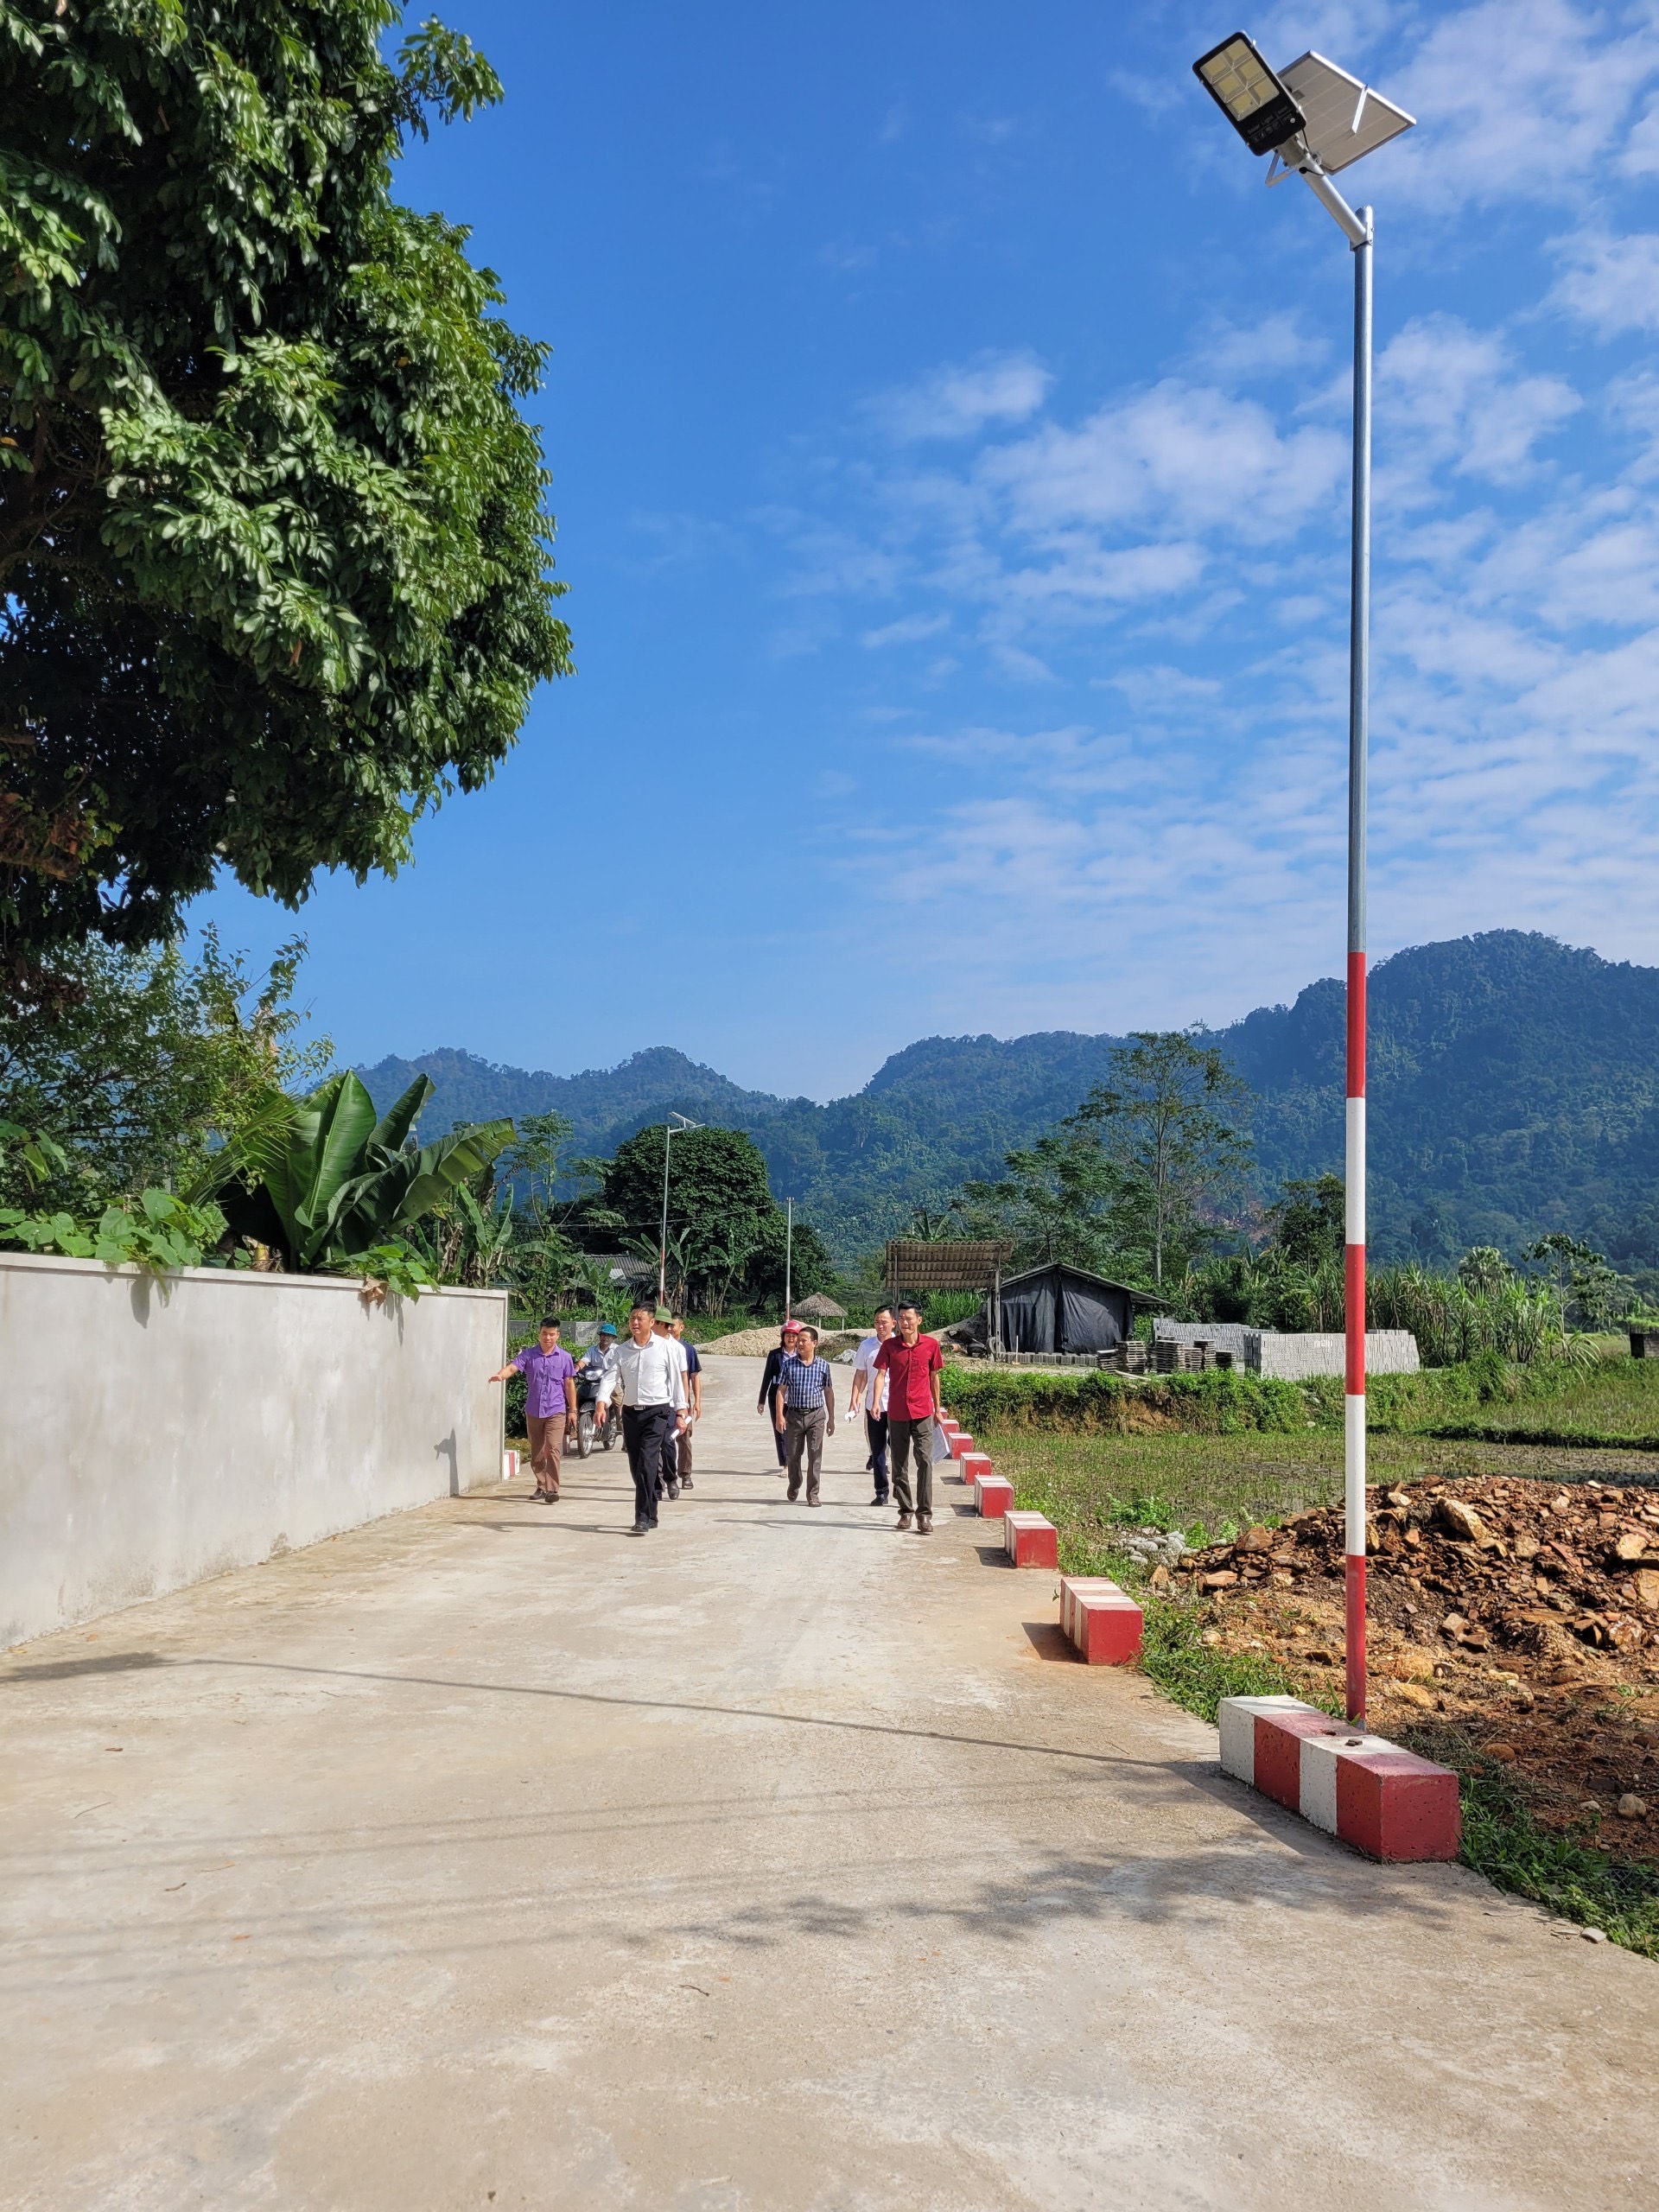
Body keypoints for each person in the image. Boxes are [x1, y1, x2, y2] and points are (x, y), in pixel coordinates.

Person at [614, 1300, 688, 1534]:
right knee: (637, 1466)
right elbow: (610, 1378)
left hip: (657, 1412)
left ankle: (643, 1517)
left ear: (651, 1322)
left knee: (647, 1462)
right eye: (632, 1318)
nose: (635, 1322)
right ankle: (652, 1512)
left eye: (640, 1318)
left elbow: (677, 1380)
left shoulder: (667, 1348)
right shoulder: (622, 1350)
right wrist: (601, 1402)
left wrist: (681, 1410)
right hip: (630, 1413)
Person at [489, 1317, 577, 1503]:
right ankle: (541, 1485)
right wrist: (501, 1375)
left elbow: (569, 1384)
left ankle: (552, 1489)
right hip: (534, 1410)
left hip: (556, 1409)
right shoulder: (529, 1355)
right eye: (544, 1334)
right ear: (539, 1334)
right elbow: (513, 1367)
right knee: (537, 1452)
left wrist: (573, 1410)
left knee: (553, 1448)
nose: (548, 1338)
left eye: (552, 1334)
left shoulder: (565, 1358)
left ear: (557, 1335)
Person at [873, 1302, 944, 1534]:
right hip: (897, 1413)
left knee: (924, 1461)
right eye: (901, 1318)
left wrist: (937, 1408)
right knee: (899, 1464)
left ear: (919, 1320)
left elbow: (934, 1377)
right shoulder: (890, 1346)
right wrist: (875, 1402)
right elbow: (881, 1374)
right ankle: (905, 1511)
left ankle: (924, 1515)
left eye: (908, 1318)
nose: (904, 1322)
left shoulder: (931, 1346)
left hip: (923, 1412)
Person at [772, 1322, 835, 1505]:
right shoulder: (789, 1365)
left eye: (804, 1341)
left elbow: (828, 1392)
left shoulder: (823, 1365)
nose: (799, 1344)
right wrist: (779, 1416)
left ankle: (813, 1494)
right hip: (794, 1416)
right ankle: (795, 1483)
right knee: (792, 1455)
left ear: (814, 1343)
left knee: (815, 1456)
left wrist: (831, 1418)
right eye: (798, 1341)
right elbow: (781, 1391)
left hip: (816, 1416)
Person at [849, 1305, 895, 1507]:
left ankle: (900, 1490)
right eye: (877, 1322)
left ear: (894, 1322)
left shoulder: (900, 1345)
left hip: (898, 1406)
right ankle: (881, 1492)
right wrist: (854, 1398)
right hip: (873, 1406)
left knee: (897, 1449)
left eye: (884, 1322)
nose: (880, 1325)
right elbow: (860, 1374)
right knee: (877, 1450)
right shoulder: (867, 1346)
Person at [652, 1306, 692, 1497]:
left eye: (663, 1324)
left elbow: (683, 1379)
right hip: (649, 1404)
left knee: (667, 1442)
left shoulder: (677, 1349)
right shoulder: (645, 1345)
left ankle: (671, 1478)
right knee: (651, 1446)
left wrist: (682, 1408)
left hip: (669, 1404)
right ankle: (656, 1483)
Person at [757, 1320, 802, 1471]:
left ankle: (795, 1460)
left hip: (796, 1399)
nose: (791, 1339)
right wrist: (761, 1401)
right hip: (777, 1398)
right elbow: (767, 1377)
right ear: (783, 1337)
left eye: (794, 1336)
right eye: (788, 1335)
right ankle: (785, 1464)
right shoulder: (774, 1355)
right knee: (780, 1431)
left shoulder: (802, 1355)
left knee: (795, 1432)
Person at [575, 1321, 620, 1443]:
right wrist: (576, 1369)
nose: (605, 1337)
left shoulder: (618, 1350)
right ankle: (575, 1422)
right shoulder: (592, 1350)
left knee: (621, 1404)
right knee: (578, 1394)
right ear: (600, 1336)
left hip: (613, 1383)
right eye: (603, 1335)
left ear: (613, 1338)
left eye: (609, 1335)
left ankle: (625, 1432)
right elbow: (584, 1361)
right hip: (594, 1382)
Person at [671, 1315, 702, 1490]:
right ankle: (663, 1476)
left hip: (683, 1404)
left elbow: (694, 1377)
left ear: (681, 1327)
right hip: (664, 1403)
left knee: (684, 1440)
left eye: (673, 1326)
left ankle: (685, 1474)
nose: (669, 1329)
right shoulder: (659, 1347)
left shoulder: (688, 1350)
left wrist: (697, 1401)